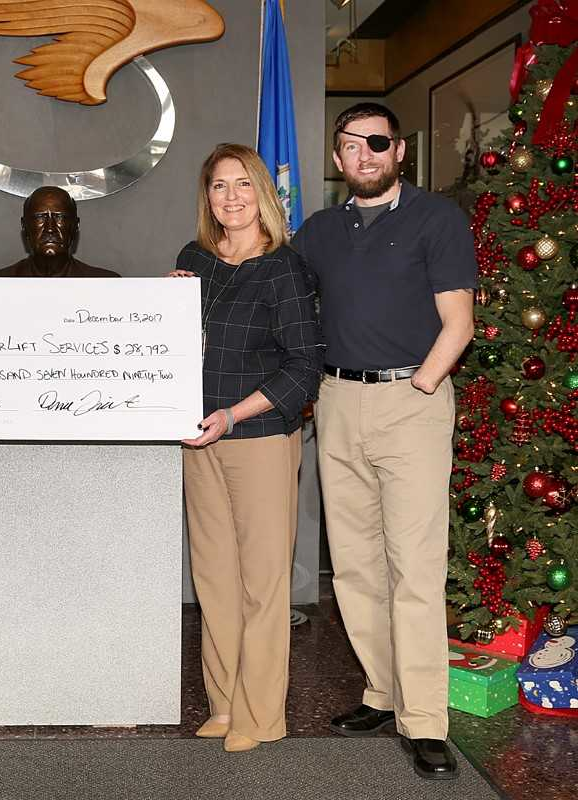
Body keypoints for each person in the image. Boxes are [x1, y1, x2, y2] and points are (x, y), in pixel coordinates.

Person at [292, 102, 476, 780]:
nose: (363, 155)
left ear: (398, 150)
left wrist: (421, 385)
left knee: (416, 568)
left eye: (376, 143)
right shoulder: (318, 232)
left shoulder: (437, 219)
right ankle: (382, 690)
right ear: (337, 159)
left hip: (412, 403)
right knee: (357, 564)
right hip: (338, 402)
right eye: (350, 145)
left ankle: (425, 721)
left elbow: (458, 322)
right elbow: (272, 291)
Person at [169, 143, 321, 753]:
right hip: (196, 439)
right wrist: (163, 304)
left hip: (256, 438)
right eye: (217, 186)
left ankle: (263, 716)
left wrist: (233, 415)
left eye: (241, 184)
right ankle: (225, 704)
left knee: (262, 583)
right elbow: (172, 346)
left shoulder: (284, 268)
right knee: (214, 579)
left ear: (263, 194)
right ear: (206, 196)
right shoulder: (192, 260)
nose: (230, 197)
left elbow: (304, 367)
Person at [0, 186, 120, 277]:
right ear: (24, 226)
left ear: (75, 225)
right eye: (39, 217)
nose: (50, 228)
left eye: (60, 217)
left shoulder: (107, 285)